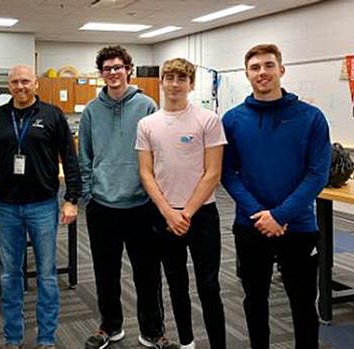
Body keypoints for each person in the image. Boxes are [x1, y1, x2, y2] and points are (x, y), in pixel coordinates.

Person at [221, 44, 331, 349]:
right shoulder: (232, 120)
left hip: (298, 228)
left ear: (281, 70)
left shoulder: (310, 117)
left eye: (269, 65)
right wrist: (261, 214)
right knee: (254, 300)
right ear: (247, 74)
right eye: (255, 68)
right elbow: (228, 173)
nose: (262, 73)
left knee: (302, 304)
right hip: (251, 226)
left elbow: (317, 174)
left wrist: (280, 215)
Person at [79, 45, 179, 349]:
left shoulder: (147, 106)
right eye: (107, 69)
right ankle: (110, 327)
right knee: (105, 273)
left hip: (141, 206)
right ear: (101, 74)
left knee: (147, 274)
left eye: (118, 67)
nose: (113, 73)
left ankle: (152, 331)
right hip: (103, 206)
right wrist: (88, 194)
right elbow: (84, 156)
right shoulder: (91, 111)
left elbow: (158, 155)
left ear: (128, 70)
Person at [0, 64, 81, 349]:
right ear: (8, 86)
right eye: (15, 82)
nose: (20, 86)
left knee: (47, 276)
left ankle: (46, 338)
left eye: (25, 81)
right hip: (6, 205)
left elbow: (69, 158)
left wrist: (72, 198)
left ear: (35, 83)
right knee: (10, 275)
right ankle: (13, 337)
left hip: (43, 205)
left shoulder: (52, 115)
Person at [136, 58, 227, 349]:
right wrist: (168, 212)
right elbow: (145, 172)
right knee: (176, 284)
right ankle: (186, 342)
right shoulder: (148, 123)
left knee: (209, 286)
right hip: (164, 216)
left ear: (191, 84)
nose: (175, 84)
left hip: (201, 216)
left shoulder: (207, 120)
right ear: (161, 81)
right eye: (169, 77)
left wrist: (185, 213)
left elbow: (213, 172)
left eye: (181, 78)